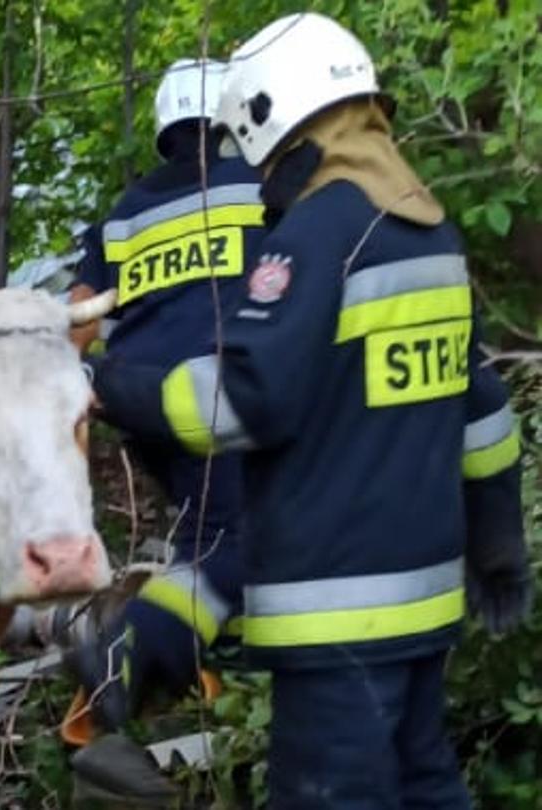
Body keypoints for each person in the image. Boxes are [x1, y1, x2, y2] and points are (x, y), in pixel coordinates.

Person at [84, 12, 533, 807]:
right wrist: (498, 543)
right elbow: (484, 415)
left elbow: (246, 401)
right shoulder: (427, 230)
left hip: (335, 624)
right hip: (425, 608)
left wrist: (113, 388)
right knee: (425, 784)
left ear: (273, 121)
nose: (259, 179)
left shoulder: (322, 231)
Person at [54, 56, 268, 801]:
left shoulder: (125, 211)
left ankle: (200, 682)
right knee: (245, 537)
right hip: (224, 395)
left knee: (209, 533)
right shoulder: (264, 189)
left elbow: (76, 320)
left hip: (141, 401)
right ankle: (126, 657)